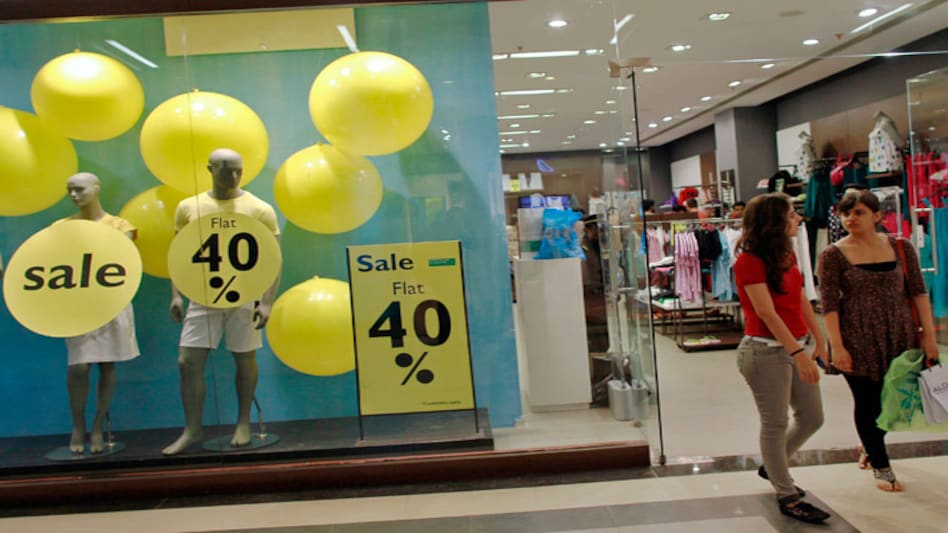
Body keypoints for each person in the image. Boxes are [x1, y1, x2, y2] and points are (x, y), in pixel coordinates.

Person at [817, 189, 939, 492]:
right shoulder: (833, 254)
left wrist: (930, 337)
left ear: (877, 216)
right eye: (846, 213)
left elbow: (918, 293)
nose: (851, 218)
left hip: (899, 332)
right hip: (856, 336)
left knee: (891, 399)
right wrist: (838, 346)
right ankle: (881, 465)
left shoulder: (900, 247)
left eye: (858, 212)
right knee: (868, 401)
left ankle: (870, 447)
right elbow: (829, 304)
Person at [163, 148, 281, 456]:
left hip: (244, 292)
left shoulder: (259, 208)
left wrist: (266, 301)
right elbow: (179, 254)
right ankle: (192, 429)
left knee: (244, 357)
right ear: (210, 169)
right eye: (225, 170)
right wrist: (176, 295)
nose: (232, 177)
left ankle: (243, 422)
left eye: (237, 170)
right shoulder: (189, 207)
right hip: (203, 293)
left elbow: (273, 259)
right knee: (187, 362)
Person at [733, 193, 830, 524]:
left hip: (793, 346)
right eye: (792, 214)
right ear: (775, 221)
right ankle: (786, 494)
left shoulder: (785, 254)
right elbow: (766, 312)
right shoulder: (748, 261)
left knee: (812, 417)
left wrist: (819, 339)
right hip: (764, 352)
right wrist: (798, 353)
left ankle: (772, 466)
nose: (798, 220)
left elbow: (801, 296)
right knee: (774, 422)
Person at [59, 172, 141, 454]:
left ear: (96, 188)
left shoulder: (120, 226)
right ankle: (77, 425)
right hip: (78, 303)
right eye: (69, 190)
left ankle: (97, 427)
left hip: (110, 301)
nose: (74, 196)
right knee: (78, 366)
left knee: (108, 364)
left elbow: (124, 261)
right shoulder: (61, 227)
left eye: (79, 189)